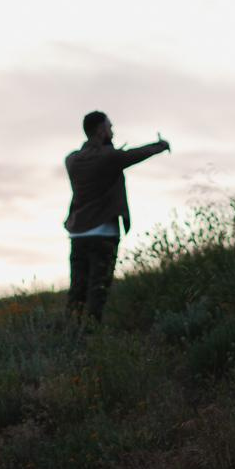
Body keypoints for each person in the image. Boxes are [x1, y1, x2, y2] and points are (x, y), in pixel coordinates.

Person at [62, 110, 169, 324]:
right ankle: (91, 337)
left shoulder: (72, 160)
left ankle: (70, 336)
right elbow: (135, 154)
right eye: (110, 127)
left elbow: (104, 158)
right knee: (97, 291)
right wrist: (161, 145)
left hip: (79, 234)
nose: (113, 130)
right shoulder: (109, 157)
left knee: (77, 291)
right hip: (104, 234)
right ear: (101, 131)